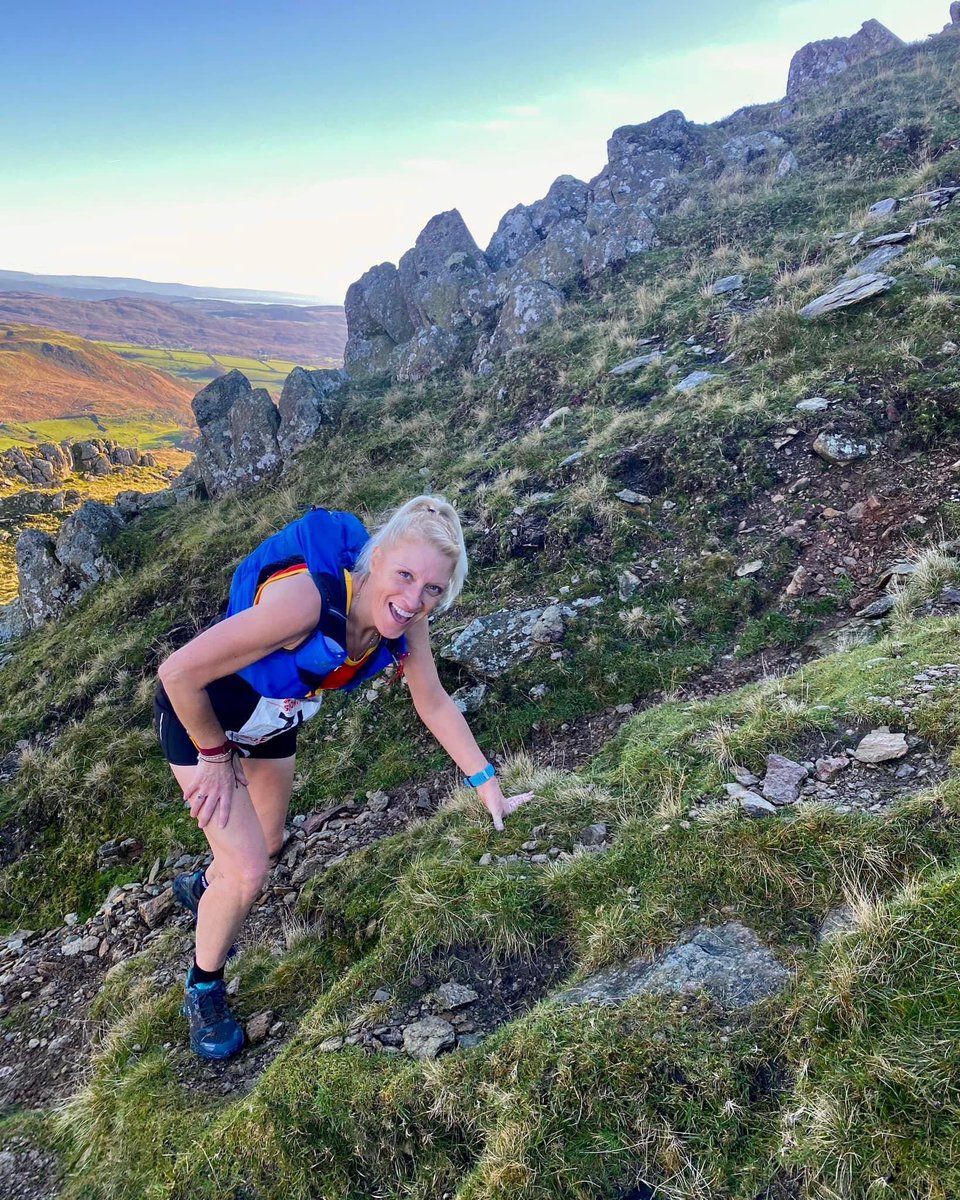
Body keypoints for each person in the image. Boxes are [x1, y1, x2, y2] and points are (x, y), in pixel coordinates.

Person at [155, 496, 532, 1060]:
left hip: (273, 718)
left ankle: (206, 888)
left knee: (271, 841)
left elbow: (432, 702)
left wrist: (487, 784)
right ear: (376, 559)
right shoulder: (305, 605)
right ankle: (204, 986)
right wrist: (213, 755)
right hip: (204, 718)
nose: (413, 600)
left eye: (433, 589)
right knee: (249, 869)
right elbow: (178, 672)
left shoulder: (407, 623)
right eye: (405, 576)